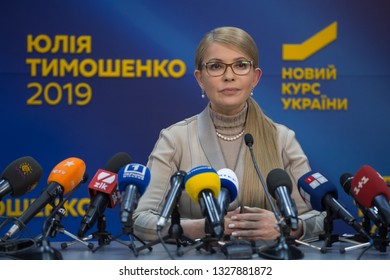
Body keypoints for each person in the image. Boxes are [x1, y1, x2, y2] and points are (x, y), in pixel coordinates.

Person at [133, 26, 325, 242]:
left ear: (255, 77)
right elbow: (141, 220)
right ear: (200, 79)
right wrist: (204, 227)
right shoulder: (175, 139)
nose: (229, 76)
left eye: (241, 65)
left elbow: (316, 219)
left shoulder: (282, 139)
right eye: (216, 66)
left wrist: (285, 227)